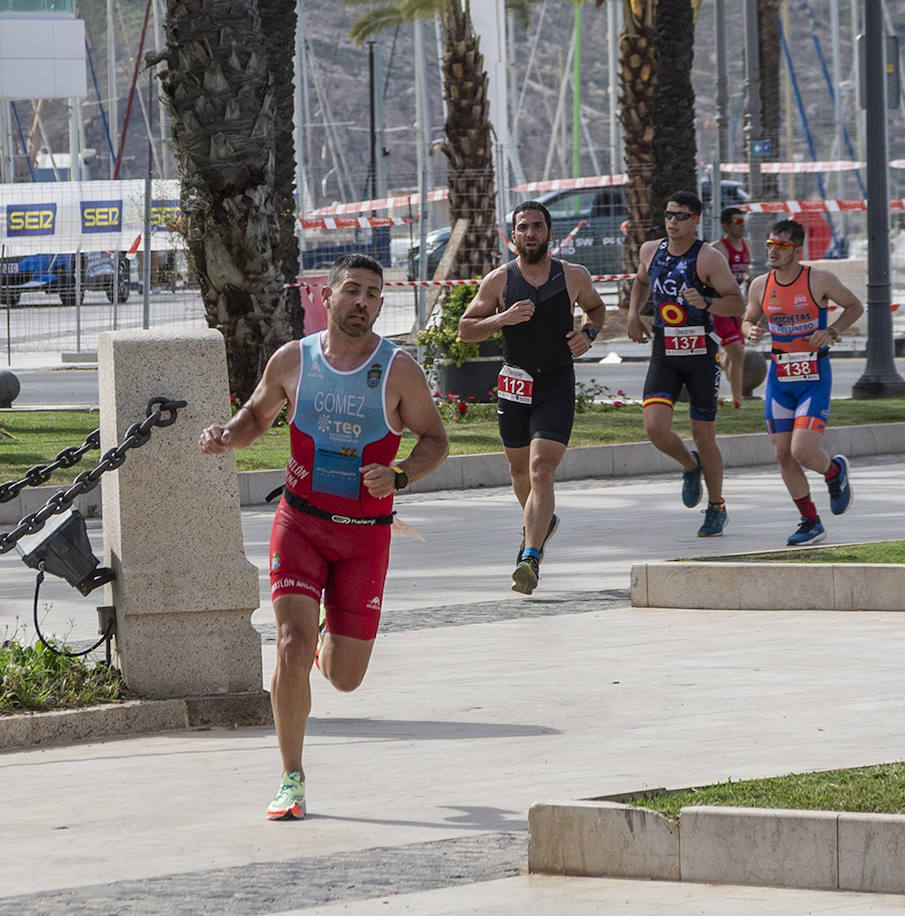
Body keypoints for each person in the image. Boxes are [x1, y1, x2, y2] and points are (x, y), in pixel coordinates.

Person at [198, 254, 449, 820]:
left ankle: (322, 637)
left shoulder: (398, 369)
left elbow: (435, 439)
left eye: (373, 295)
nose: (362, 301)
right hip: (301, 522)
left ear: (381, 306)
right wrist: (224, 436)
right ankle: (292, 777)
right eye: (352, 291)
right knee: (288, 646)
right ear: (327, 297)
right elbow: (256, 418)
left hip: (365, 536)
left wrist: (402, 474)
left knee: (344, 677)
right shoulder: (294, 360)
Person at [460, 200, 606, 594]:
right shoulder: (499, 281)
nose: (530, 233)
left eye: (537, 226)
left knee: (542, 469)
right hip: (515, 382)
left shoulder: (573, 275)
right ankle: (541, 525)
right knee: (519, 471)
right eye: (523, 227)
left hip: (556, 382)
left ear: (549, 233)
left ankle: (531, 557)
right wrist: (501, 319)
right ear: (513, 237)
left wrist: (588, 335)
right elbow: (466, 329)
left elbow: (596, 308)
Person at [626, 189, 744, 537]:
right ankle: (690, 465)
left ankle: (717, 506)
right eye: (668, 214)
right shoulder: (652, 250)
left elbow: (736, 303)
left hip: (699, 353)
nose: (672, 221)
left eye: (680, 216)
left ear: (695, 220)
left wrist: (707, 302)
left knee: (704, 435)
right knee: (655, 428)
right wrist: (634, 313)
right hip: (665, 349)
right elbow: (641, 281)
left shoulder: (707, 258)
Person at [742, 218, 865, 546]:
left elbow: (855, 306)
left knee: (802, 451)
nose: (773, 251)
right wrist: (749, 331)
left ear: (797, 250)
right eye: (770, 244)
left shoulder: (819, 279)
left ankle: (834, 472)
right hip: (780, 378)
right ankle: (810, 520)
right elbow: (748, 319)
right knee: (783, 454)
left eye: (781, 246)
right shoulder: (760, 285)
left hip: (813, 377)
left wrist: (832, 331)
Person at [710, 206, 751, 408]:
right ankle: (737, 401)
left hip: (735, 307)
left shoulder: (745, 245)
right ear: (725, 225)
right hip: (719, 307)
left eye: (743, 221)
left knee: (735, 353)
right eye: (737, 222)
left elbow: (741, 276)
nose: (742, 225)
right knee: (737, 351)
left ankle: (722, 368)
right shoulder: (718, 248)